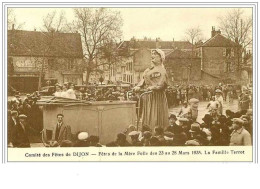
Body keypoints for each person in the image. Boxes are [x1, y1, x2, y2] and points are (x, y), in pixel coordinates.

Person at [133, 49, 169, 130]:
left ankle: (156, 131)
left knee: (155, 115)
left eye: (155, 54)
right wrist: (139, 86)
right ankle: (147, 131)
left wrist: (153, 87)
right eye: (152, 54)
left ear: (161, 58)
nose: (152, 56)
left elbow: (163, 84)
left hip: (157, 97)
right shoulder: (148, 70)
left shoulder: (162, 70)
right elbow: (143, 80)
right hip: (148, 96)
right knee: (147, 114)